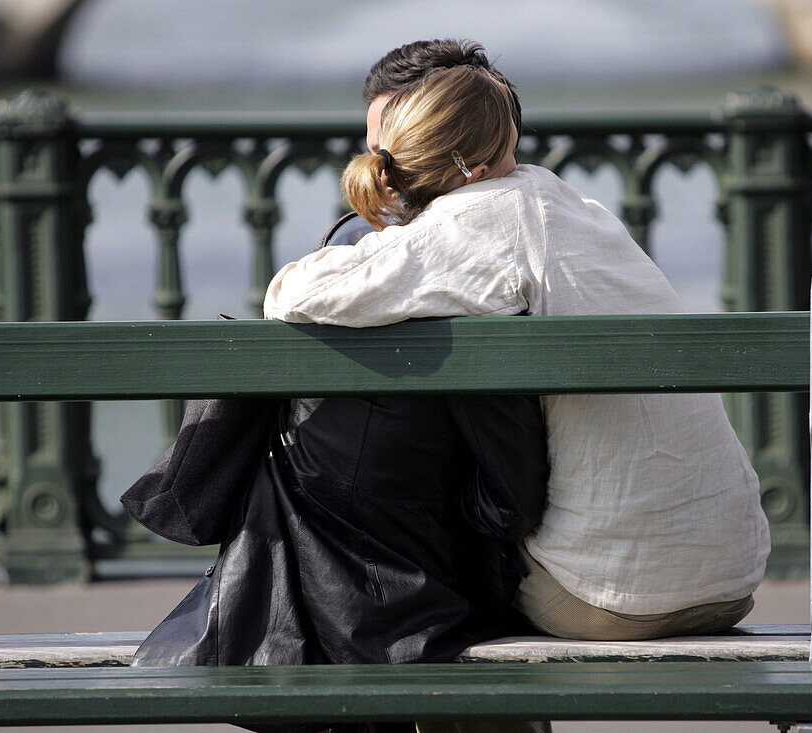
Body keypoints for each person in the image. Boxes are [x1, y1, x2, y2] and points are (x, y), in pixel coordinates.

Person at [265, 44, 771, 641]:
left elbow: (293, 296)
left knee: (418, 568)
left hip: (608, 596)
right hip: (732, 579)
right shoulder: (577, 208)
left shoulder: (479, 221)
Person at [124, 42, 549, 674]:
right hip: (412, 612)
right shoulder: (485, 263)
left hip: (290, 593)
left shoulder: (347, 256)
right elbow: (510, 503)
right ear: (480, 157)